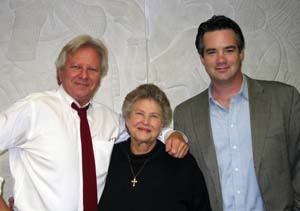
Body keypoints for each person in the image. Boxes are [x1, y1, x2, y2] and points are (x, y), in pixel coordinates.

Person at [0, 35, 189, 210]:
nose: (84, 75)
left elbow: (143, 128)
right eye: (76, 67)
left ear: (100, 77)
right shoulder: (33, 109)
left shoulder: (109, 120)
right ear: (60, 72)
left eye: (92, 69)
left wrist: (173, 134)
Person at [174, 15, 300, 211]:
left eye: (229, 50)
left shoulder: (284, 98)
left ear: (241, 53)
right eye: (212, 52)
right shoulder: (185, 114)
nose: (221, 59)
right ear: (202, 58)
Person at [98, 84, 211, 211]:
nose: (146, 122)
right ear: (127, 119)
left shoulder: (181, 162)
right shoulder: (108, 157)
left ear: (162, 124)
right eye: (140, 114)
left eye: (154, 116)